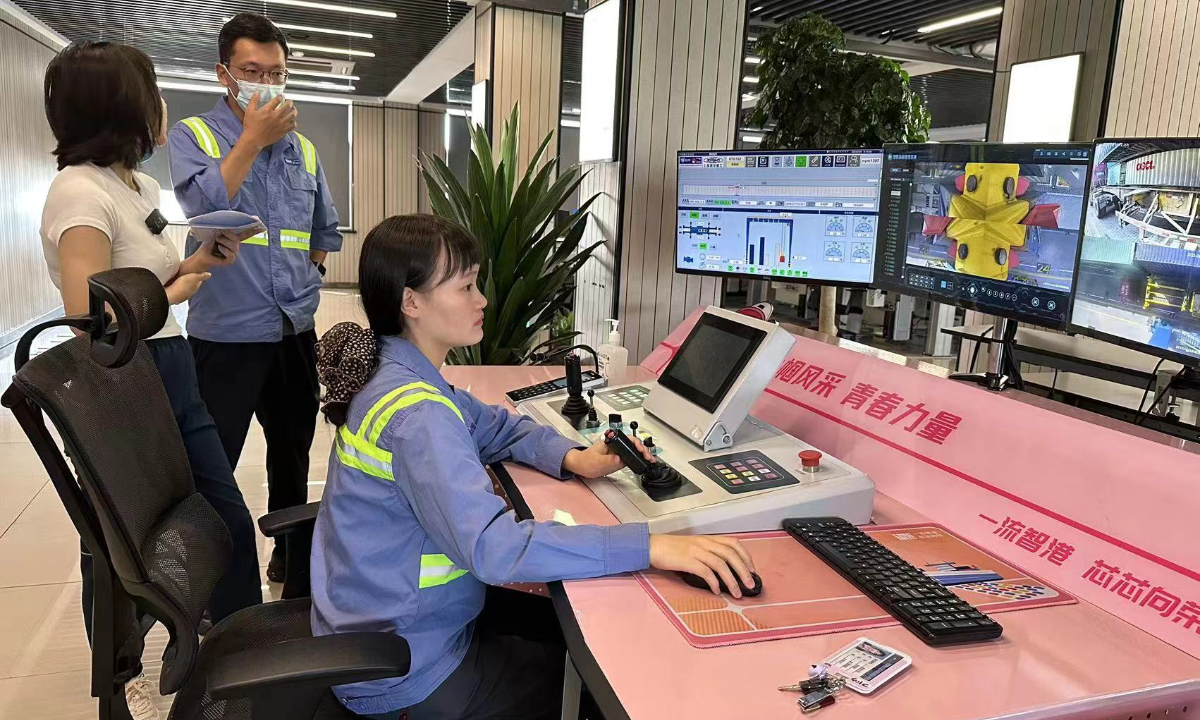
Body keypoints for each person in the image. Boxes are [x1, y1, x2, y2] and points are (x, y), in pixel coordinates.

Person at [310, 215, 755, 719]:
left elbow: (494, 426)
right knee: (589, 682)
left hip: (384, 620)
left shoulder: (396, 373)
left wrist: (572, 457)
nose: (482, 300)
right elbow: (496, 550)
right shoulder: (420, 417)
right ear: (411, 302)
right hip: (410, 666)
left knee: (563, 624)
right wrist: (651, 544)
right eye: (466, 287)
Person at [40, 42, 262, 720]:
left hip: (171, 368)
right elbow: (94, 320)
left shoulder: (136, 186)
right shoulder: (78, 189)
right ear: (121, 106)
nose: (162, 105)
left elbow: (145, 286)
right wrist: (173, 291)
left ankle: (240, 655)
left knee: (221, 516)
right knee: (121, 542)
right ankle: (123, 675)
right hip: (123, 385)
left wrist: (194, 264)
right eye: (152, 91)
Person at [169, 12, 342, 582]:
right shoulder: (194, 136)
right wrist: (250, 140)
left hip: (294, 332)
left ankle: (292, 570)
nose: (266, 83)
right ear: (225, 74)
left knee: (291, 460)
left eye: (277, 72)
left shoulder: (305, 151)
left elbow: (324, 229)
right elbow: (202, 206)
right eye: (251, 70)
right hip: (225, 336)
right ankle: (208, 584)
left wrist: (311, 275)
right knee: (210, 467)